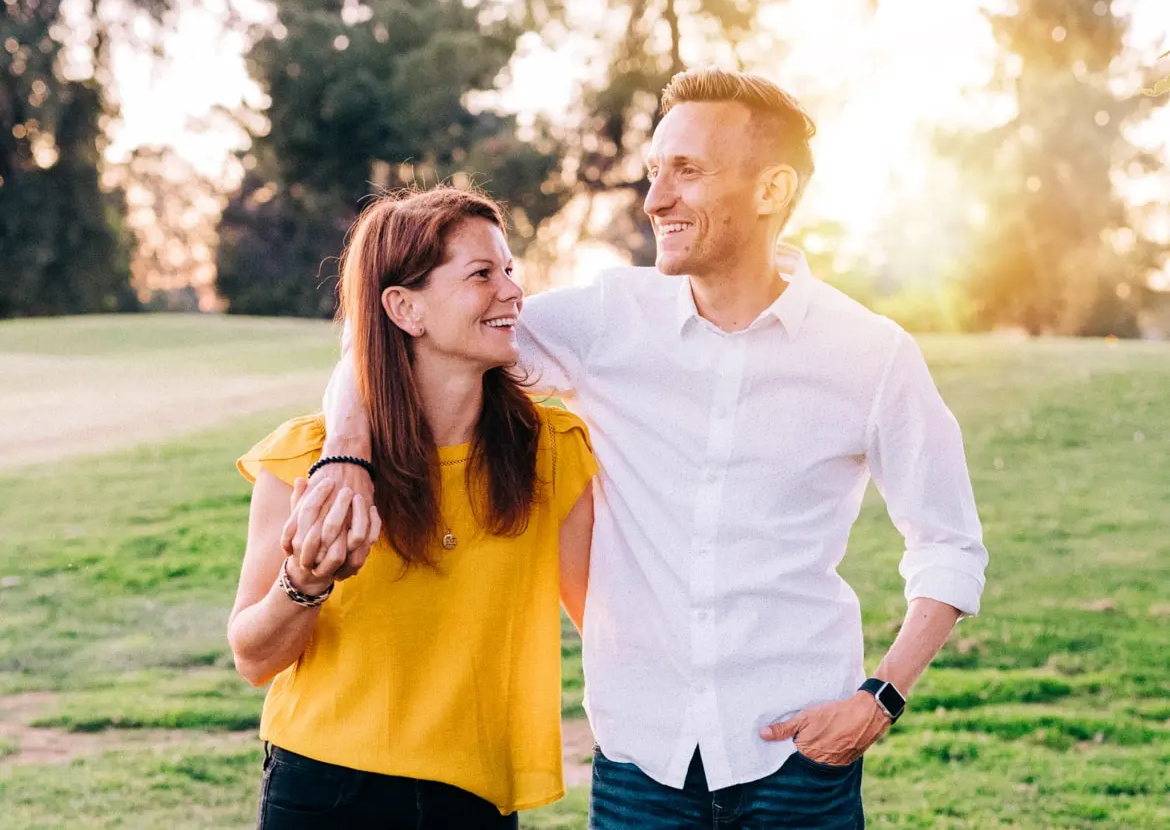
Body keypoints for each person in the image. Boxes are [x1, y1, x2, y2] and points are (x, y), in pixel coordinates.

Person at [302, 69, 990, 829]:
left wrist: (880, 698)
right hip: (642, 763)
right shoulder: (608, 321)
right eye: (655, 171)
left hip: (800, 760)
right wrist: (345, 453)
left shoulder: (871, 355)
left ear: (771, 190)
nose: (656, 198)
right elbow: (394, 342)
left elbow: (949, 544)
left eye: (687, 172)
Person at [227, 186, 597, 829]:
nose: (513, 291)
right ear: (404, 308)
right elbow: (253, 657)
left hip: (476, 800)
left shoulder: (552, 453)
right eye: (482, 273)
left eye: (509, 269)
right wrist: (305, 582)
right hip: (325, 790)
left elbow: (607, 620)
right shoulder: (309, 458)